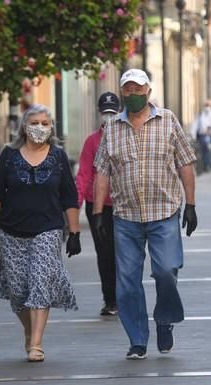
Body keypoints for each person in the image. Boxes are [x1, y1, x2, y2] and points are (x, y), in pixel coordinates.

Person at [92, 68, 197, 360]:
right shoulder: (112, 128)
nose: (134, 95)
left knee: (165, 271)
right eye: (128, 90)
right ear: (122, 92)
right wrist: (98, 213)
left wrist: (191, 205)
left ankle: (165, 319)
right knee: (126, 281)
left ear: (148, 92)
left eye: (139, 90)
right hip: (125, 217)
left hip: (163, 213)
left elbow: (185, 163)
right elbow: (102, 172)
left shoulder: (168, 121)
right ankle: (137, 339)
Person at [0, 104, 81, 363]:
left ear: (52, 128)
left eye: (45, 123)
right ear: (24, 127)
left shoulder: (58, 157)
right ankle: (29, 330)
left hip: (47, 230)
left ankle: (36, 343)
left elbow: (69, 197)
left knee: (40, 283)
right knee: (17, 291)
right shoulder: (9, 155)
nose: (40, 128)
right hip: (11, 231)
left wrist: (74, 232)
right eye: (35, 122)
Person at [75, 92, 120, 317]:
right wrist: (75, 206)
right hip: (98, 206)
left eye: (113, 112)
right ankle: (110, 299)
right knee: (104, 252)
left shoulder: (126, 137)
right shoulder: (92, 141)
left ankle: (125, 297)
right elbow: (83, 175)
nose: (109, 116)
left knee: (124, 252)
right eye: (106, 112)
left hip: (124, 205)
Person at [191, 99, 211, 173]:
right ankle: (206, 166)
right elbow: (195, 125)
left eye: (209, 105)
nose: (208, 107)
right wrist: (193, 135)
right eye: (206, 105)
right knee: (204, 152)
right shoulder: (201, 114)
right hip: (202, 136)